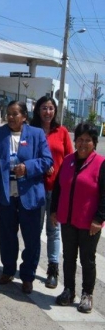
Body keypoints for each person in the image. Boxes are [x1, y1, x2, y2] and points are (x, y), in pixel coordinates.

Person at [0, 101, 53, 294]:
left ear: (24, 116)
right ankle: (8, 270)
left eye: (15, 114)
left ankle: (27, 276)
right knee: (7, 236)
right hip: (7, 194)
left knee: (31, 239)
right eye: (8, 114)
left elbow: (47, 160)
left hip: (30, 194)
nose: (11, 117)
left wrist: (28, 167)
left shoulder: (36, 134)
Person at [51, 123, 105, 314]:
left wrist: (99, 219)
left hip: (89, 222)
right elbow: (58, 188)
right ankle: (69, 290)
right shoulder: (68, 160)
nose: (83, 144)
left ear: (94, 142)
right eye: (80, 139)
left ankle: (87, 294)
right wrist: (54, 211)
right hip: (67, 219)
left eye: (87, 140)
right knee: (68, 257)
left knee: (87, 259)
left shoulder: (101, 163)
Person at [30, 96, 73, 288]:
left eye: (51, 108)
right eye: (44, 108)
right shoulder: (31, 131)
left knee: (53, 231)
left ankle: (53, 270)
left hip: (57, 189)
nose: (48, 112)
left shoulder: (62, 132)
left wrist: (59, 171)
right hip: (36, 187)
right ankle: (30, 267)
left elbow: (70, 159)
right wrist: (41, 167)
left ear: (55, 111)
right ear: (38, 110)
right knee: (35, 230)